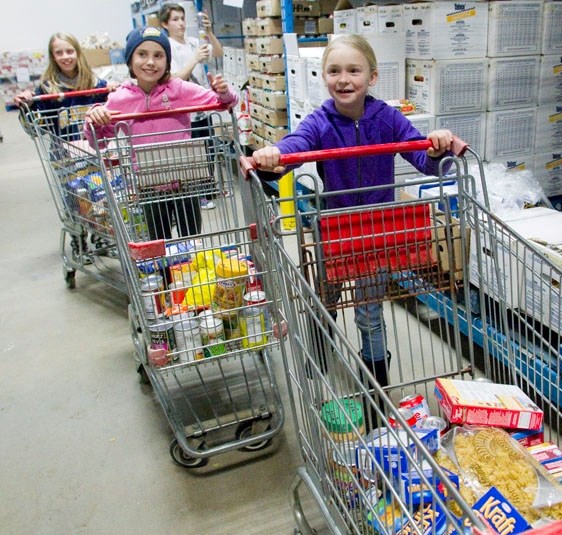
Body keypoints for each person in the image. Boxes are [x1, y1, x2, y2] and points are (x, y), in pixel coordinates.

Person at [252, 35, 454, 413]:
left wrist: (436, 146)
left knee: (369, 311)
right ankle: (317, 355)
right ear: (323, 77)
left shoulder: (388, 119)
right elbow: (297, 145)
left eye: (353, 70)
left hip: (377, 231)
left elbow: (423, 157)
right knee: (325, 299)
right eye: (334, 71)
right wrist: (276, 154)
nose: (343, 79)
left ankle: (376, 388)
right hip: (335, 229)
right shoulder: (320, 120)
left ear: (372, 77)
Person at [84, 26, 237, 241]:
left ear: (167, 61)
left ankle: (190, 272)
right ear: (130, 60)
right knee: (159, 242)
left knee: (192, 239)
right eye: (142, 54)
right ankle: (166, 274)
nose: (150, 62)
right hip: (149, 186)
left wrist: (223, 92)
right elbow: (97, 141)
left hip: (186, 181)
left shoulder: (179, 89)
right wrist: (94, 117)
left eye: (158, 55)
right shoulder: (120, 99)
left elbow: (224, 103)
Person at [14, 32, 118, 263]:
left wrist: (113, 90)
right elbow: (35, 125)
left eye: (69, 51)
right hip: (65, 157)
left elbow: (112, 104)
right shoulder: (47, 88)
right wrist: (27, 104)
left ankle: (101, 236)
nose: (65, 57)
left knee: (100, 196)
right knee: (76, 199)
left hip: (93, 152)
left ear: (77, 53)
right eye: (59, 52)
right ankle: (79, 239)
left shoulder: (94, 83)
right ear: (52, 56)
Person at [159, 2, 224, 210]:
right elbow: (175, 78)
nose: (181, 24)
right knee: (193, 155)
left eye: (182, 18)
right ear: (165, 24)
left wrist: (210, 31)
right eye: (175, 19)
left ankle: (207, 188)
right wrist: (195, 59)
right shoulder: (167, 47)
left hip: (203, 108)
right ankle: (197, 195)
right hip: (185, 112)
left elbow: (219, 52)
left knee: (209, 149)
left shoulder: (193, 41)